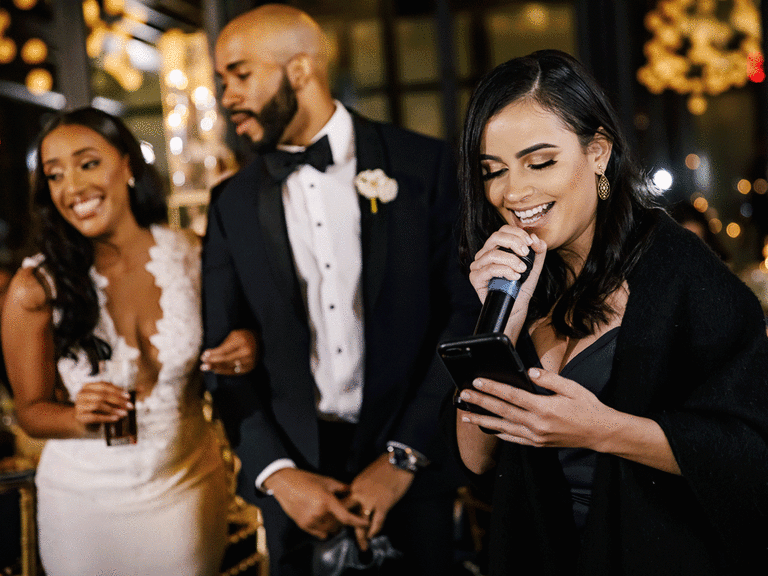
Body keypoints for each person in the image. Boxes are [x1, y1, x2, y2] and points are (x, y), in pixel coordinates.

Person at [448, 50, 768, 575]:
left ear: (598, 152)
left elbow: (749, 453)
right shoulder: (514, 274)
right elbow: (477, 457)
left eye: (540, 162)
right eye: (493, 171)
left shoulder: (682, 272)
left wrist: (601, 429)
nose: (513, 192)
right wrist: (496, 325)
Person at [204, 4, 478, 575]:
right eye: (221, 80)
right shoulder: (230, 203)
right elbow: (220, 358)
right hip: (297, 481)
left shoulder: (423, 165)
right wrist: (278, 473)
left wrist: (404, 456)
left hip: (411, 464)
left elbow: (464, 314)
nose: (226, 96)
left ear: (300, 70)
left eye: (240, 74)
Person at [1, 107, 259, 576]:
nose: (72, 188)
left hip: (188, 487)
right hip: (84, 506)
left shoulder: (192, 256)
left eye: (88, 163)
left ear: (127, 164)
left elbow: (234, 347)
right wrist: (79, 417)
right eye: (54, 175)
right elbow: (31, 411)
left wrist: (244, 347)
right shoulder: (35, 286)